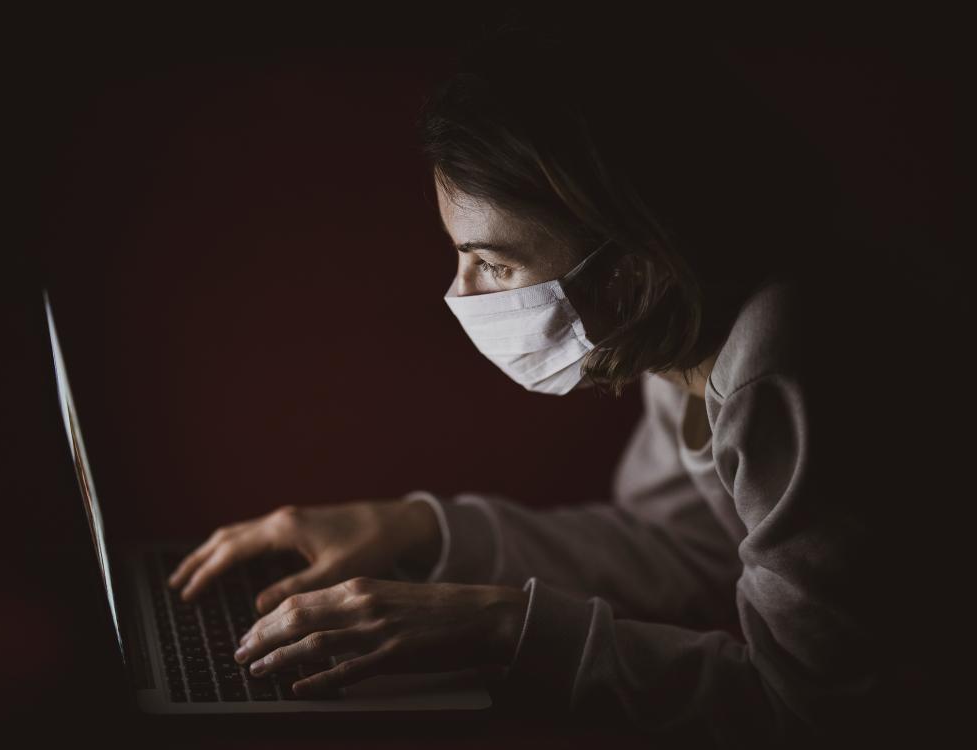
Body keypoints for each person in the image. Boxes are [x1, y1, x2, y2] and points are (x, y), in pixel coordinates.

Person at [166, 24, 966, 748]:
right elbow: (684, 546)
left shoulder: (787, 364)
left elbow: (818, 716)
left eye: (493, 261)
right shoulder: (679, 328)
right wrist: (418, 530)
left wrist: (503, 630)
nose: (463, 295)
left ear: (635, 262)